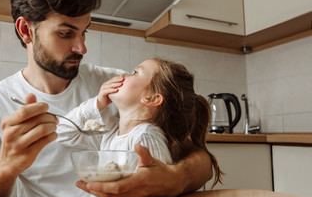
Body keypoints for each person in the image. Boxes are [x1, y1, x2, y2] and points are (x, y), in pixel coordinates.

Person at [0, 0, 213, 197]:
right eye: (66, 33)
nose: (82, 48)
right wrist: (5, 165)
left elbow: (202, 161)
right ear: (26, 31)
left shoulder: (117, 88)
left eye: (84, 32)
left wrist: (173, 178)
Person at [57, 58, 222, 187]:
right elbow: (62, 132)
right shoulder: (111, 130)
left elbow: (154, 191)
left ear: (152, 98)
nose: (123, 76)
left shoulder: (146, 137)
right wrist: (97, 104)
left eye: (135, 73)